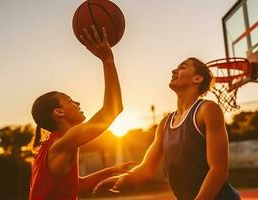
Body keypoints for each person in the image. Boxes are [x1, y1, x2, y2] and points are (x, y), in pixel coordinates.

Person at [93, 57, 241, 200]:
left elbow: (219, 170)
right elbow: (147, 168)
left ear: (197, 78)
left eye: (182, 67)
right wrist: (124, 178)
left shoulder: (207, 110)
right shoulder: (165, 124)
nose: (174, 71)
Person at [29, 26, 135, 200]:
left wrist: (111, 172)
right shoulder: (62, 143)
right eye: (70, 100)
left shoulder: (57, 147)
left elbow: (77, 186)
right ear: (59, 112)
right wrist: (107, 59)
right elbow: (113, 109)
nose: (77, 103)